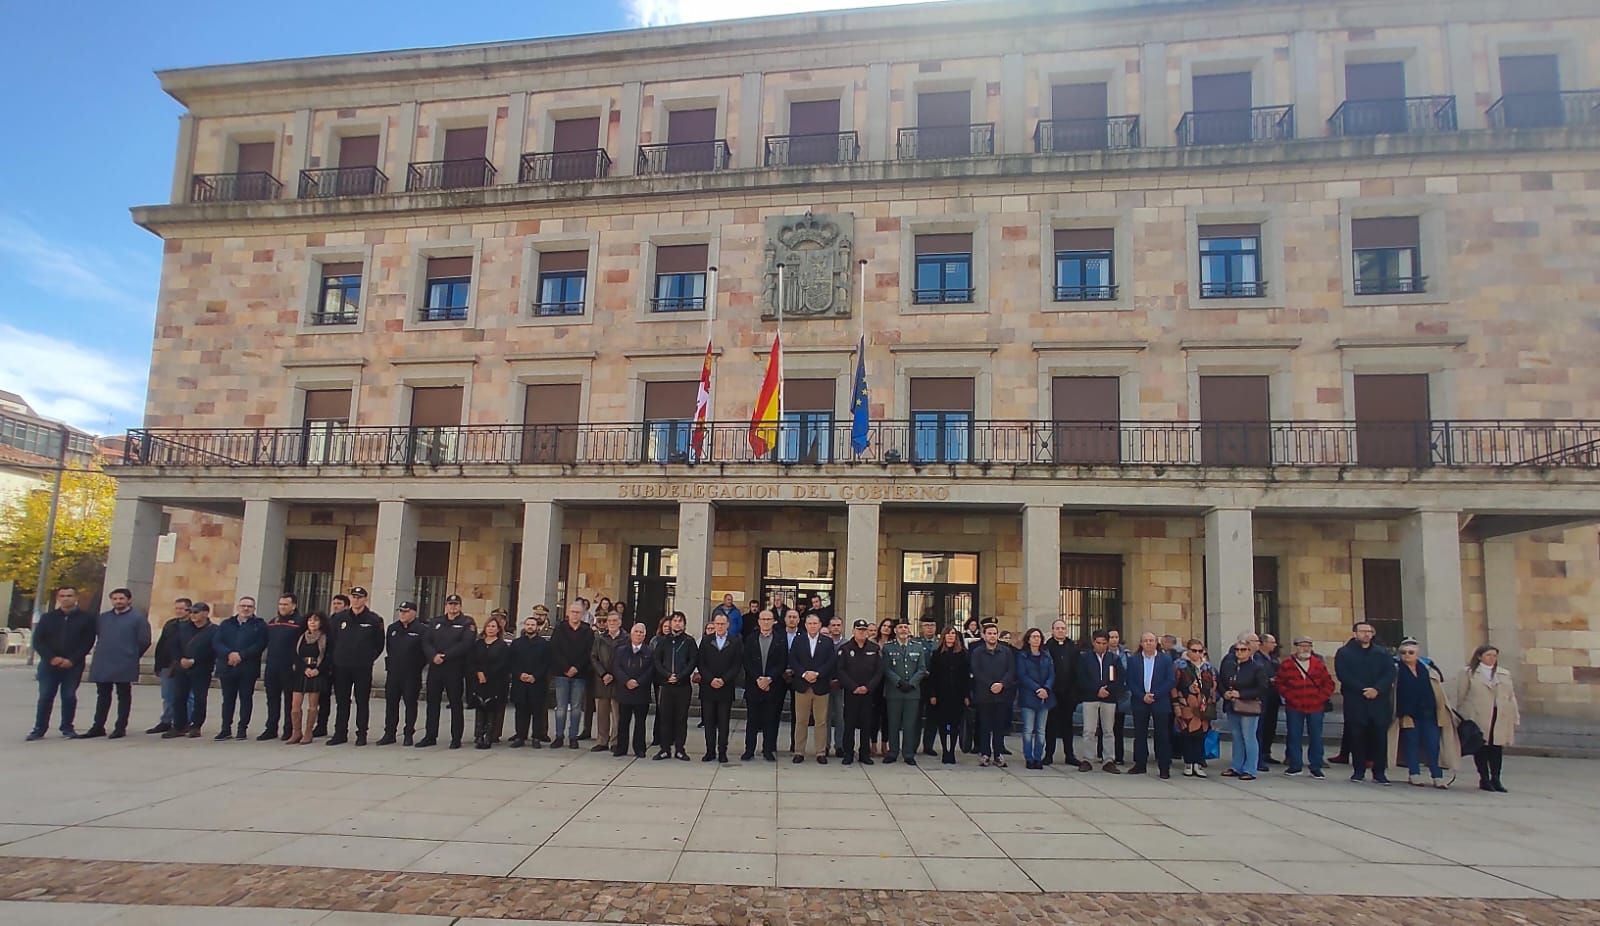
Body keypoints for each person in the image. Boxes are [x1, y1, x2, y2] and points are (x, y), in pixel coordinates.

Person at [28, 586, 96, 741]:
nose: (66, 598)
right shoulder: (48, 617)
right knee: (45, 696)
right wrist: (51, 658)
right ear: (58, 598)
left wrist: (72, 660)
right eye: (63, 595)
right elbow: (38, 641)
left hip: (73, 665)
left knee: (69, 696)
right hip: (49, 664)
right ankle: (39, 729)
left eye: (69, 595)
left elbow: (87, 642)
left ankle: (67, 727)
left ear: (76, 597)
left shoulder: (86, 618)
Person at [82, 587, 150, 740]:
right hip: (104, 661)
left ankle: (120, 727)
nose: (118, 601)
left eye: (121, 599)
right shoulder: (103, 618)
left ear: (129, 600)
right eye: (115, 599)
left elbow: (144, 640)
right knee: (103, 695)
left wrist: (132, 654)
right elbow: (99, 635)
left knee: (123, 695)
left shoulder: (137, 618)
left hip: (125, 661)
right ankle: (98, 726)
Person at [1390, 641, 1460, 788]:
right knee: (1411, 743)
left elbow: (1439, 690)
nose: (1406, 655)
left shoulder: (1428, 670)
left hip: (1430, 712)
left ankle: (1437, 775)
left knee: (1433, 745)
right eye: (1403, 653)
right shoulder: (1396, 670)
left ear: (1417, 654)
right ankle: (1414, 773)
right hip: (1408, 713)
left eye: (1410, 652)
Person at [1335, 621, 1396, 785]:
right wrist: (1363, 689)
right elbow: (1343, 675)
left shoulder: (1382, 653)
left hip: (1378, 702)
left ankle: (1379, 772)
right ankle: (1358, 771)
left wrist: (1377, 689)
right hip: (1356, 701)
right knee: (1357, 737)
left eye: (1369, 631)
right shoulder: (1345, 653)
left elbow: (1389, 673)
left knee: (1379, 738)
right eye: (1362, 631)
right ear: (1355, 634)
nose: (1366, 634)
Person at [1457, 645, 1518, 793]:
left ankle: (1496, 778)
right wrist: (1462, 716)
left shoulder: (1503, 674)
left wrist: (1515, 715)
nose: (1492, 659)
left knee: (1496, 747)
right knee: (1481, 747)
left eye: (1494, 656)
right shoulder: (1469, 673)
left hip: (1500, 715)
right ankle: (1484, 777)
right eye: (1488, 655)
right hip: (1479, 714)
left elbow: (1511, 696)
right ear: (1479, 656)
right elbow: (1461, 695)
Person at [327, 587, 384, 746]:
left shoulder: (374, 619)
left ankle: (361, 734)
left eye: (359, 597)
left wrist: (368, 659)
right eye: (354, 597)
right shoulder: (339, 618)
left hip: (362, 667)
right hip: (342, 666)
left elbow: (379, 644)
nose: (356, 600)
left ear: (365, 599)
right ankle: (340, 733)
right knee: (342, 701)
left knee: (362, 701)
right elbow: (332, 640)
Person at [419, 594, 476, 749]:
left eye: (456, 604)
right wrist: (433, 656)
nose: (453, 607)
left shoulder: (467, 622)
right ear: (446, 605)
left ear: (460, 606)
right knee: (432, 703)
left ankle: (456, 738)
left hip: (454, 668)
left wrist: (446, 656)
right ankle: (430, 735)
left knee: (455, 703)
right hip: (435, 667)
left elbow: (466, 643)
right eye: (450, 604)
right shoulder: (436, 622)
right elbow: (426, 641)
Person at [1276, 635, 1334, 779]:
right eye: (1302, 646)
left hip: (1315, 706)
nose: (1305, 648)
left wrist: (1320, 698)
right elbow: (1280, 683)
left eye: (1307, 646)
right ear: (1296, 647)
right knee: (1294, 736)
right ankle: (1295, 765)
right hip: (1294, 705)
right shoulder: (1287, 664)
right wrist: (1290, 696)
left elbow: (1329, 684)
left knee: (1316, 737)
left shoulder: (1318, 664)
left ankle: (1316, 766)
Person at [211, 597, 267, 741]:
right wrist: (229, 654)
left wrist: (241, 655)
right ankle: (225, 729)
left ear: (254, 609)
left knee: (246, 699)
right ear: (238, 607)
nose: (246, 609)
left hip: (247, 667)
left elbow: (260, 644)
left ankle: (242, 728)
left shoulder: (259, 625)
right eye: (243, 606)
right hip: (227, 666)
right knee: (228, 699)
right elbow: (217, 642)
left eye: (249, 606)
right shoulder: (226, 624)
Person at [787, 613, 836, 764]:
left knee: (821, 721)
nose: (813, 626)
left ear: (820, 625)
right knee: (801, 720)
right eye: (810, 623)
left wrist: (818, 673)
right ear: (806, 625)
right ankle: (799, 751)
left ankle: (820, 752)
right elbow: (792, 659)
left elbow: (831, 661)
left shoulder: (827, 642)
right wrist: (803, 673)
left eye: (815, 623)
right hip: (802, 686)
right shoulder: (799, 640)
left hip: (820, 686)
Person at [1125, 631, 1176, 779]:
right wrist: (1142, 696)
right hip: (1140, 701)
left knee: (1162, 735)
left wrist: (1155, 694)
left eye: (1151, 640)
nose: (1148, 643)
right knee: (1140, 734)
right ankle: (1140, 764)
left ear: (1156, 643)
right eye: (1145, 641)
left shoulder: (1165, 660)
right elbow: (1130, 681)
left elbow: (1170, 680)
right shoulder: (1134, 660)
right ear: (1141, 643)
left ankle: (1164, 766)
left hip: (1159, 701)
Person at [164, 601, 218, 738]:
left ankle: (196, 725)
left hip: (201, 669)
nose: (192, 615)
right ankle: (179, 725)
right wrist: (180, 659)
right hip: (182, 667)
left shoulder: (214, 630)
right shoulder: (184, 628)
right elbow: (173, 645)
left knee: (200, 698)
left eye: (196, 612)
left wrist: (194, 660)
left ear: (205, 613)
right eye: (191, 612)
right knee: (179, 697)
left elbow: (213, 650)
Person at [695, 612, 743, 763]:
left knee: (723, 722)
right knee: (708, 722)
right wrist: (710, 679)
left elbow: (737, 665)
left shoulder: (735, 641)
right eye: (717, 624)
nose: (720, 626)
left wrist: (723, 679)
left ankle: (722, 751)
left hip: (726, 687)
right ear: (714, 625)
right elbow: (701, 663)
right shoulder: (706, 640)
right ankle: (710, 751)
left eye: (723, 624)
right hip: (708, 687)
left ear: (728, 625)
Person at [377, 602, 427, 746]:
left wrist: (416, 666)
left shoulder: (421, 629)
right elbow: (390, 648)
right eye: (401, 611)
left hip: (411, 674)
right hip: (394, 673)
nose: (403, 614)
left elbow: (424, 653)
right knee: (391, 704)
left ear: (414, 613)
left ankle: (408, 733)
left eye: (406, 611)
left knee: (410, 704)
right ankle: (389, 733)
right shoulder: (393, 628)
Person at [1218, 636, 1267, 781]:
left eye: (1243, 650)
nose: (1239, 652)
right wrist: (1224, 692)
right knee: (1236, 737)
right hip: (1232, 705)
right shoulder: (1229, 665)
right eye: (1237, 650)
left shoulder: (1257, 667)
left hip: (1248, 706)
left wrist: (1242, 694)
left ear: (1249, 651)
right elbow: (1221, 681)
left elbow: (1262, 688)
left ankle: (1250, 768)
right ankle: (1236, 766)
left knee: (1249, 737)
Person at [967, 621, 1016, 768]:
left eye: (995, 633)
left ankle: (998, 754)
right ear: (983, 635)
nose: (992, 636)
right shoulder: (977, 652)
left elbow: (1011, 670)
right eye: (989, 633)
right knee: (984, 726)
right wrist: (990, 685)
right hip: (984, 694)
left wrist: (1001, 684)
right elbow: (976, 671)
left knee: (999, 726)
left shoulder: (1006, 651)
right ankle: (985, 753)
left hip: (1002, 695)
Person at [836, 619, 884, 766]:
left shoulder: (874, 648)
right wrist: (853, 687)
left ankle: (864, 753)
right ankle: (848, 753)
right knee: (849, 724)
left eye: (864, 630)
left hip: (868, 694)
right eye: (859, 629)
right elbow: (840, 670)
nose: (862, 632)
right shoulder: (845, 648)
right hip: (851, 693)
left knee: (866, 724)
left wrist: (868, 687)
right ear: (853, 631)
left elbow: (879, 671)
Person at [741, 609, 787, 761]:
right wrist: (758, 678)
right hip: (754, 685)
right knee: (752, 720)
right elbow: (746, 661)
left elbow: (782, 662)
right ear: (759, 621)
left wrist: (769, 679)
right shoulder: (750, 638)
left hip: (772, 686)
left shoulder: (780, 639)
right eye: (763, 619)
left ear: (773, 621)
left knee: (770, 720)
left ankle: (768, 750)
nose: (766, 622)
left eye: (769, 619)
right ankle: (749, 750)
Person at [259, 595, 305, 741]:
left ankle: (289, 729)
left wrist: (297, 663)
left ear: (294, 606)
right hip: (272, 666)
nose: (282, 607)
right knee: (272, 699)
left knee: (290, 700)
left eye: (286, 604)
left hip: (290, 667)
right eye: (280, 604)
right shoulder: (273, 622)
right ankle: (271, 728)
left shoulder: (300, 623)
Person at [1076, 630, 1122, 773]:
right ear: (1093, 642)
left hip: (1109, 699)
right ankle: (1087, 759)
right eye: (1098, 643)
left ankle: (1109, 759)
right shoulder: (1085, 659)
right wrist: (1096, 690)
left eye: (1104, 643)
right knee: (1089, 730)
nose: (1101, 646)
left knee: (1108, 730)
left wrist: (1108, 689)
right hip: (1090, 698)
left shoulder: (1113, 659)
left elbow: (1118, 678)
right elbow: (1081, 678)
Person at [882, 620, 928, 765]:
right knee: (893, 724)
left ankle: (908, 753)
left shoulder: (917, 647)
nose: (903, 630)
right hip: (894, 691)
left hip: (912, 692)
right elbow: (886, 668)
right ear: (895, 630)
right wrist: (898, 682)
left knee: (910, 724)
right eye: (900, 627)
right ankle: (893, 752)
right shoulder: (888, 648)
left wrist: (912, 683)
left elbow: (922, 669)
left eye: (905, 627)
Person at [653, 611, 697, 761]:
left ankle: (680, 749)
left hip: (683, 686)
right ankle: (664, 749)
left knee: (681, 718)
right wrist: (667, 675)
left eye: (680, 621)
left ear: (684, 624)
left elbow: (692, 662)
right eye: (675, 620)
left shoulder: (689, 641)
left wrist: (679, 676)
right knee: (665, 718)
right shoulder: (663, 641)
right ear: (670, 623)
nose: (677, 623)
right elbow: (657, 660)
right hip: (666, 686)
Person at [550, 602, 594, 750]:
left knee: (576, 708)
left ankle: (573, 737)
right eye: (573, 612)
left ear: (582, 614)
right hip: (561, 673)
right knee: (561, 708)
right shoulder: (560, 629)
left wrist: (576, 667)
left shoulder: (587, 631)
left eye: (578, 612)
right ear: (568, 613)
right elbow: (555, 650)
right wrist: (566, 667)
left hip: (579, 674)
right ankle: (559, 736)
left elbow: (589, 653)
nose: (575, 615)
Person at [148, 597, 193, 735]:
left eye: (182, 609)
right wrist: (158, 664)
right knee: (167, 695)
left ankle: (186, 721)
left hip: (185, 665)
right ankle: (166, 721)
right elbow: (162, 645)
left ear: (189, 610)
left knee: (188, 696)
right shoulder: (170, 624)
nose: (179, 611)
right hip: (167, 664)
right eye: (177, 608)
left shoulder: (193, 626)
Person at [508, 613, 553, 747]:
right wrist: (519, 674)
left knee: (537, 711)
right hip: (520, 682)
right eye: (528, 625)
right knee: (521, 710)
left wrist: (535, 676)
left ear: (537, 627)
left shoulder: (544, 644)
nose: (530, 627)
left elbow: (547, 663)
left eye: (533, 625)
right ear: (525, 626)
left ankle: (536, 737)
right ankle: (520, 736)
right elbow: (511, 662)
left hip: (537, 683)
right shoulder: (517, 643)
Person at [1173, 639, 1217, 777]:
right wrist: (1176, 703)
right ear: (1188, 651)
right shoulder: (1180, 666)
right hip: (1186, 704)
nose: (1197, 654)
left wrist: (1211, 699)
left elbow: (1214, 685)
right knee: (1187, 734)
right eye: (1194, 650)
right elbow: (1174, 685)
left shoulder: (1207, 667)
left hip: (1203, 704)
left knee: (1201, 735)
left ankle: (1198, 763)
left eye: (1200, 651)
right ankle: (1188, 763)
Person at [1013, 628, 1055, 770]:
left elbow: (1051, 674)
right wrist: (1037, 688)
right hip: (1029, 696)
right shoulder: (1022, 656)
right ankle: (1029, 757)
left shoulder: (1046, 656)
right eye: (1033, 636)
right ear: (1028, 639)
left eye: (1038, 636)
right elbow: (1022, 675)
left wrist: (1046, 688)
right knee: (1028, 729)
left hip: (1045, 697)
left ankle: (1038, 757)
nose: (1036, 639)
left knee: (1041, 730)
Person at [928, 628, 970, 764]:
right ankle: (945, 750)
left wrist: (966, 695)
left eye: (953, 634)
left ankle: (952, 750)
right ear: (943, 636)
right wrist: (932, 694)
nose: (950, 636)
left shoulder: (963, 654)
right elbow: (932, 676)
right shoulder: (937, 654)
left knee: (954, 725)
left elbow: (966, 677)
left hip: (957, 695)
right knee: (943, 724)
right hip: (941, 695)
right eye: (948, 633)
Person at [469, 615, 512, 749]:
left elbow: (503, 663)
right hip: (479, 681)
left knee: (492, 708)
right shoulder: (478, 644)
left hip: (495, 681)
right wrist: (479, 673)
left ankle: (489, 735)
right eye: (489, 626)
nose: (491, 629)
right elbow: (473, 660)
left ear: (498, 629)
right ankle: (479, 734)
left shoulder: (502, 645)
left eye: (494, 626)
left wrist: (488, 674)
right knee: (480, 707)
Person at [1042, 619, 1079, 767]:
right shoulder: (1047, 647)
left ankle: (1069, 755)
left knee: (1067, 726)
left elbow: (1077, 670)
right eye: (1057, 628)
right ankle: (1048, 754)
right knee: (1050, 725)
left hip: (1069, 693)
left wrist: (1075, 692)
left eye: (1063, 628)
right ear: (1052, 630)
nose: (1060, 631)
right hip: (1052, 692)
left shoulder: (1073, 647)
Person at [612, 622, 653, 758]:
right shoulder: (621, 650)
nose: (638, 634)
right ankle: (621, 747)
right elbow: (617, 667)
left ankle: (639, 748)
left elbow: (650, 670)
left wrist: (638, 681)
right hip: (624, 691)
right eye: (636, 632)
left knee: (640, 722)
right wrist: (626, 681)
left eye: (641, 632)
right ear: (631, 633)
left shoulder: (649, 651)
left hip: (641, 691)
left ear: (645, 635)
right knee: (623, 721)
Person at [288, 612, 330, 743]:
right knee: (295, 704)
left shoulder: (324, 638)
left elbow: (328, 657)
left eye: (316, 620)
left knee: (313, 705)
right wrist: (303, 668)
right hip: (301, 671)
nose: (312, 622)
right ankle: (296, 731)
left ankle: (308, 732)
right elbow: (294, 654)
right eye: (310, 620)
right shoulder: (300, 637)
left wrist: (318, 670)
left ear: (321, 623)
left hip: (316, 672)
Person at [314, 594, 350, 737]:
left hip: (343, 664)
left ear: (346, 606)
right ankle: (321, 725)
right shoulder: (328, 621)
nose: (335, 605)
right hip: (327, 663)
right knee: (323, 697)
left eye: (339, 603)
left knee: (342, 698)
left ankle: (340, 729)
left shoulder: (349, 620)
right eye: (334, 603)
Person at [589, 612, 623, 753]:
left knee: (617, 714)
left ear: (620, 622)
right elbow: (593, 657)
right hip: (602, 680)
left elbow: (625, 660)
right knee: (602, 713)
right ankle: (602, 740)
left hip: (618, 681)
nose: (612, 623)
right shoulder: (600, 638)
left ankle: (615, 741)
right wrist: (603, 673)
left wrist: (614, 674)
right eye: (609, 621)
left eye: (615, 620)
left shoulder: (625, 639)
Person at [1101, 628, 1130, 766]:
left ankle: (1118, 755)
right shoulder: (1103, 654)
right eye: (1111, 637)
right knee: (1104, 726)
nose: (1114, 640)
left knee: (1118, 726)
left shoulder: (1125, 654)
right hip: (1105, 692)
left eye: (1116, 637)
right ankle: (1103, 753)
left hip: (1121, 693)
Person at [916, 616, 941, 757]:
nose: (929, 627)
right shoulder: (916, 642)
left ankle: (928, 745)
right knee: (916, 716)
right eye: (926, 625)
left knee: (932, 717)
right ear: (921, 627)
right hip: (920, 683)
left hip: (935, 684)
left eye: (932, 625)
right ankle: (913, 744)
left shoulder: (939, 643)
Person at [1256, 633, 1282, 767]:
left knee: (1270, 726)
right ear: (1263, 643)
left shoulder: (1273, 659)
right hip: (1262, 696)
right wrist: (1268, 680)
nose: (1275, 645)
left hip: (1273, 696)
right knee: (1260, 727)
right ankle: (1259, 755)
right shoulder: (1257, 658)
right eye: (1272, 642)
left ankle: (1266, 752)